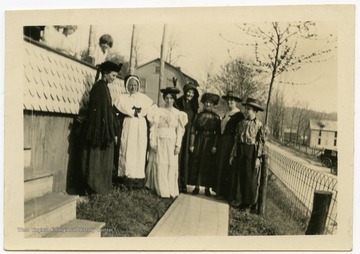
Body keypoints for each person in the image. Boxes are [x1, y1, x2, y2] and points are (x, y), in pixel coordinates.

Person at [81, 61, 122, 195]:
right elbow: (100, 112)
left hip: (101, 129)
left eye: (116, 76)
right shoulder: (100, 88)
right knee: (96, 160)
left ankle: (99, 189)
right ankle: (95, 188)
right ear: (105, 74)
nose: (114, 78)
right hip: (98, 131)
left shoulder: (104, 87)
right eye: (113, 75)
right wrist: (106, 131)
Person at [145, 86, 188, 198]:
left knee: (170, 165)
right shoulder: (158, 111)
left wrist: (178, 145)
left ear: (174, 99)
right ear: (164, 98)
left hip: (171, 141)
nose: (169, 100)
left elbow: (180, 131)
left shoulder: (179, 114)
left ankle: (170, 190)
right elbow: (153, 128)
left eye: (171, 98)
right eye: (167, 98)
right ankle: (160, 189)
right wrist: (153, 142)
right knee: (160, 163)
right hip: (160, 140)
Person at [114, 75, 156, 188]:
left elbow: (151, 113)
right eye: (130, 85)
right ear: (127, 86)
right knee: (127, 149)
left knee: (139, 150)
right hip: (128, 125)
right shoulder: (122, 98)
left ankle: (138, 179)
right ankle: (125, 177)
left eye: (135, 85)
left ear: (138, 86)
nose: (133, 87)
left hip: (141, 127)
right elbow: (118, 112)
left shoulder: (144, 98)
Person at [229, 98, 268, 213]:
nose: (246, 111)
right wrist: (233, 154)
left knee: (250, 177)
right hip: (241, 149)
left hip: (251, 151)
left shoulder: (259, 125)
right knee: (240, 175)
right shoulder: (241, 123)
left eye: (249, 109)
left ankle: (249, 204)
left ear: (255, 111)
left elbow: (261, 142)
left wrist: (258, 158)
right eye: (246, 109)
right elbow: (236, 140)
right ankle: (240, 201)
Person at [213, 91, 244, 200]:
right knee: (220, 164)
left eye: (232, 100)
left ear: (236, 102)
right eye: (228, 100)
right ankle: (219, 191)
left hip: (230, 142)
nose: (230, 101)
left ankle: (226, 193)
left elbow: (239, 132)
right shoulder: (226, 113)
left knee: (227, 165)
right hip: (222, 141)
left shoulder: (239, 115)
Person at [188, 92, 221, 196]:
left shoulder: (216, 118)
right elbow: (193, 130)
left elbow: (218, 133)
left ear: (213, 104)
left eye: (210, 103)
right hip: (199, 140)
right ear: (203, 103)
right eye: (206, 102)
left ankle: (207, 188)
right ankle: (196, 187)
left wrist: (215, 145)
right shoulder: (198, 116)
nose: (208, 105)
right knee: (197, 161)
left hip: (210, 141)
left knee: (208, 164)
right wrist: (192, 144)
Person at [174, 82, 199, 193]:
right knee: (177, 157)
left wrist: (192, 141)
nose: (190, 94)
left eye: (192, 93)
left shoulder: (194, 106)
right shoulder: (178, 102)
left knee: (186, 158)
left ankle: (183, 184)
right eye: (188, 92)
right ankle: (175, 182)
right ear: (185, 92)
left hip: (189, 134)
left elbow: (194, 122)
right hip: (179, 132)